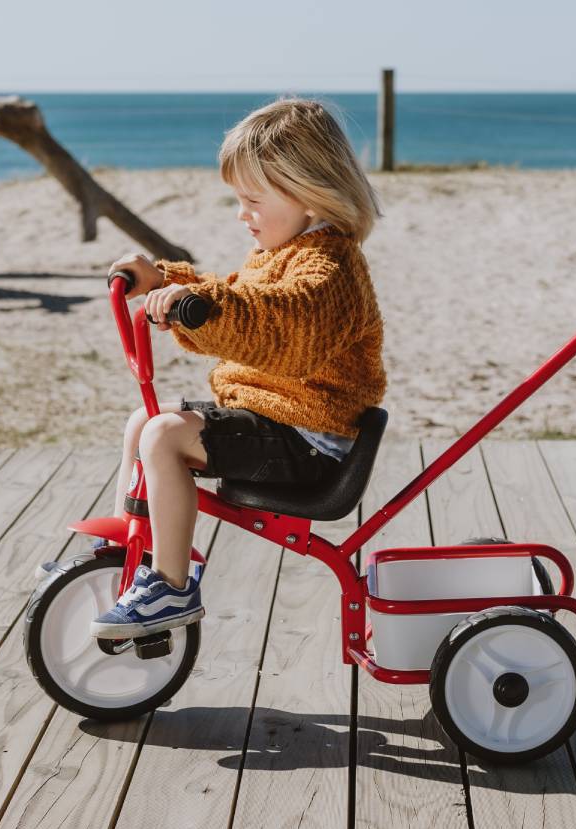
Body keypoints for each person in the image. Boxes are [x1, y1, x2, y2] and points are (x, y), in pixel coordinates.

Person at [89, 98, 385, 639]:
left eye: (252, 200)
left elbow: (275, 328)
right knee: (142, 422)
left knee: (164, 437)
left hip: (310, 444)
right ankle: (130, 548)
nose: (241, 214)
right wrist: (163, 282)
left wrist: (196, 309)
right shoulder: (287, 250)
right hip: (275, 420)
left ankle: (171, 587)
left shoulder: (329, 269)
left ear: (309, 195)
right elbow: (234, 296)